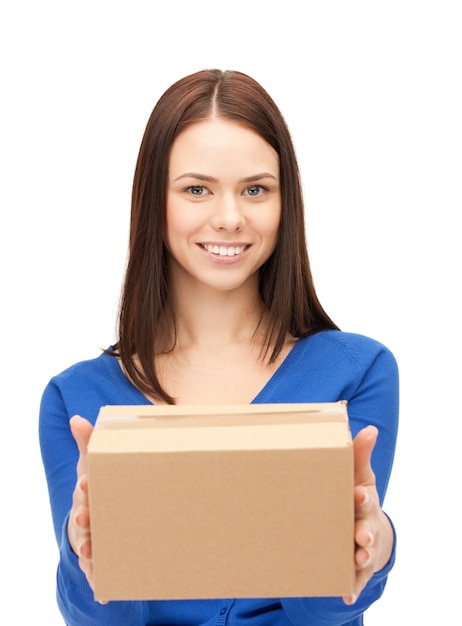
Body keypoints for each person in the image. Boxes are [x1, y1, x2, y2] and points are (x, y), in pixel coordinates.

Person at [39, 68, 399, 626]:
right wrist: (84, 553)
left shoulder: (356, 372)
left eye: (256, 189)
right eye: (197, 189)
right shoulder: (77, 398)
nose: (230, 218)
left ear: (286, 203)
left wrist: (372, 550)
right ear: (153, 202)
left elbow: (325, 608)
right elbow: (100, 618)